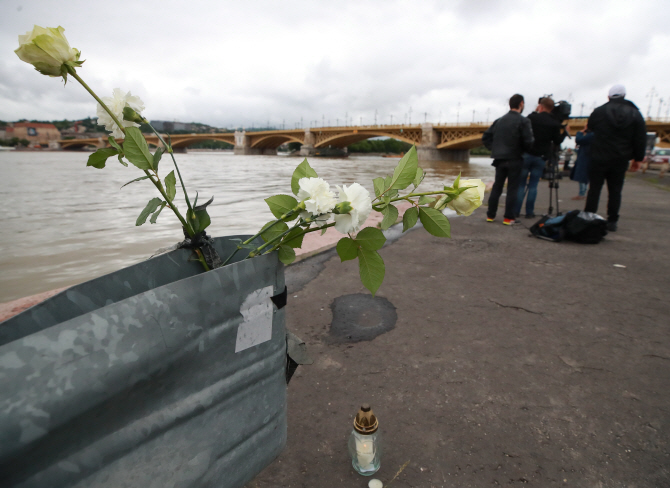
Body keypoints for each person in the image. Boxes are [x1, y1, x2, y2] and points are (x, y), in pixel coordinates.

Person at [584, 84, 646, 231]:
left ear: (609, 96)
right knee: (615, 190)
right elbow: (640, 138)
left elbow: (590, 126)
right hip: (621, 157)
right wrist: (638, 158)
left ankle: (588, 216)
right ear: (624, 96)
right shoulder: (635, 113)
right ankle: (612, 220)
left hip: (599, 156)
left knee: (594, 189)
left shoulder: (599, 111)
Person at [482, 94, 534, 225]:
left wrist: (494, 148)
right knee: (512, 188)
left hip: (499, 159)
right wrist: (525, 150)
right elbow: (528, 141)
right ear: (521, 104)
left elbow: (486, 137)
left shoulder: (499, 121)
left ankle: (490, 215)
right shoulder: (524, 121)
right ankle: (508, 218)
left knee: (497, 187)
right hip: (515, 158)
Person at [515, 97, 565, 218]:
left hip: (527, 154)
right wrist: (564, 132)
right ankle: (529, 212)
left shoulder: (532, 118)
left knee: (521, 185)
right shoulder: (554, 122)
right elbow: (557, 141)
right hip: (541, 157)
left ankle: (515, 212)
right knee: (533, 185)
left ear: (540, 106)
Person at [570, 125, 594, 200]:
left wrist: (580, 133)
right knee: (585, 175)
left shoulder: (590, 135)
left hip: (584, 157)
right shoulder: (594, 135)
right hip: (588, 156)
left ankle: (582, 193)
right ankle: (583, 193)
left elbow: (579, 140)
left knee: (582, 174)